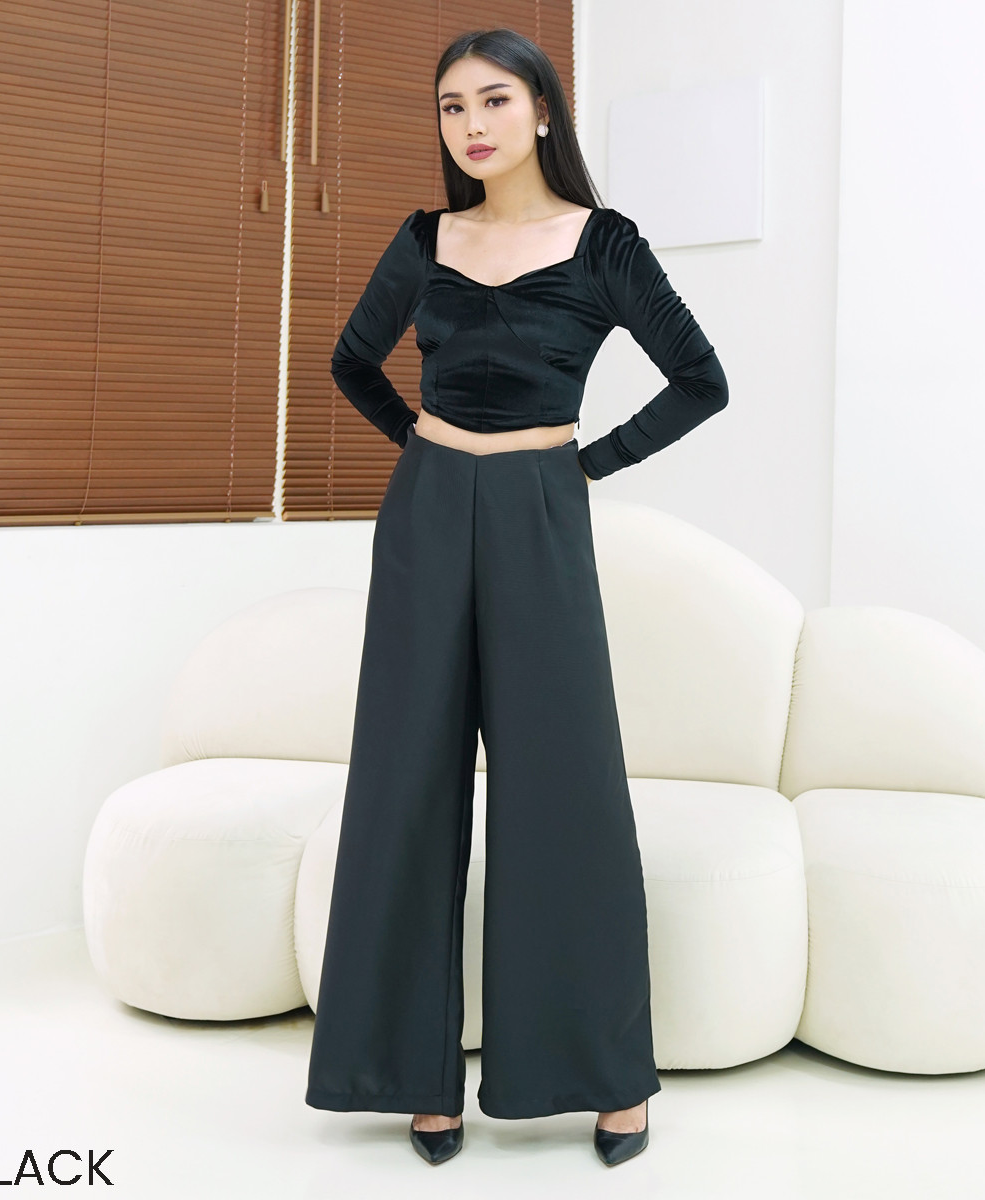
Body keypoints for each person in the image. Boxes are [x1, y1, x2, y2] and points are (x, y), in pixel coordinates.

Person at [304, 28, 728, 1169]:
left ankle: (605, 1077)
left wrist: (583, 464)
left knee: (566, 789)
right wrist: (422, 447)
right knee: (404, 784)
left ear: (542, 109)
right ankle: (413, 1076)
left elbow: (703, 380)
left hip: (542, 510)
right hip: (429, 514)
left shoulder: (605, 244)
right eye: (451, 107)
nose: (471, 125)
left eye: (493, 100)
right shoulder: (425, 239)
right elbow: (351, 363)